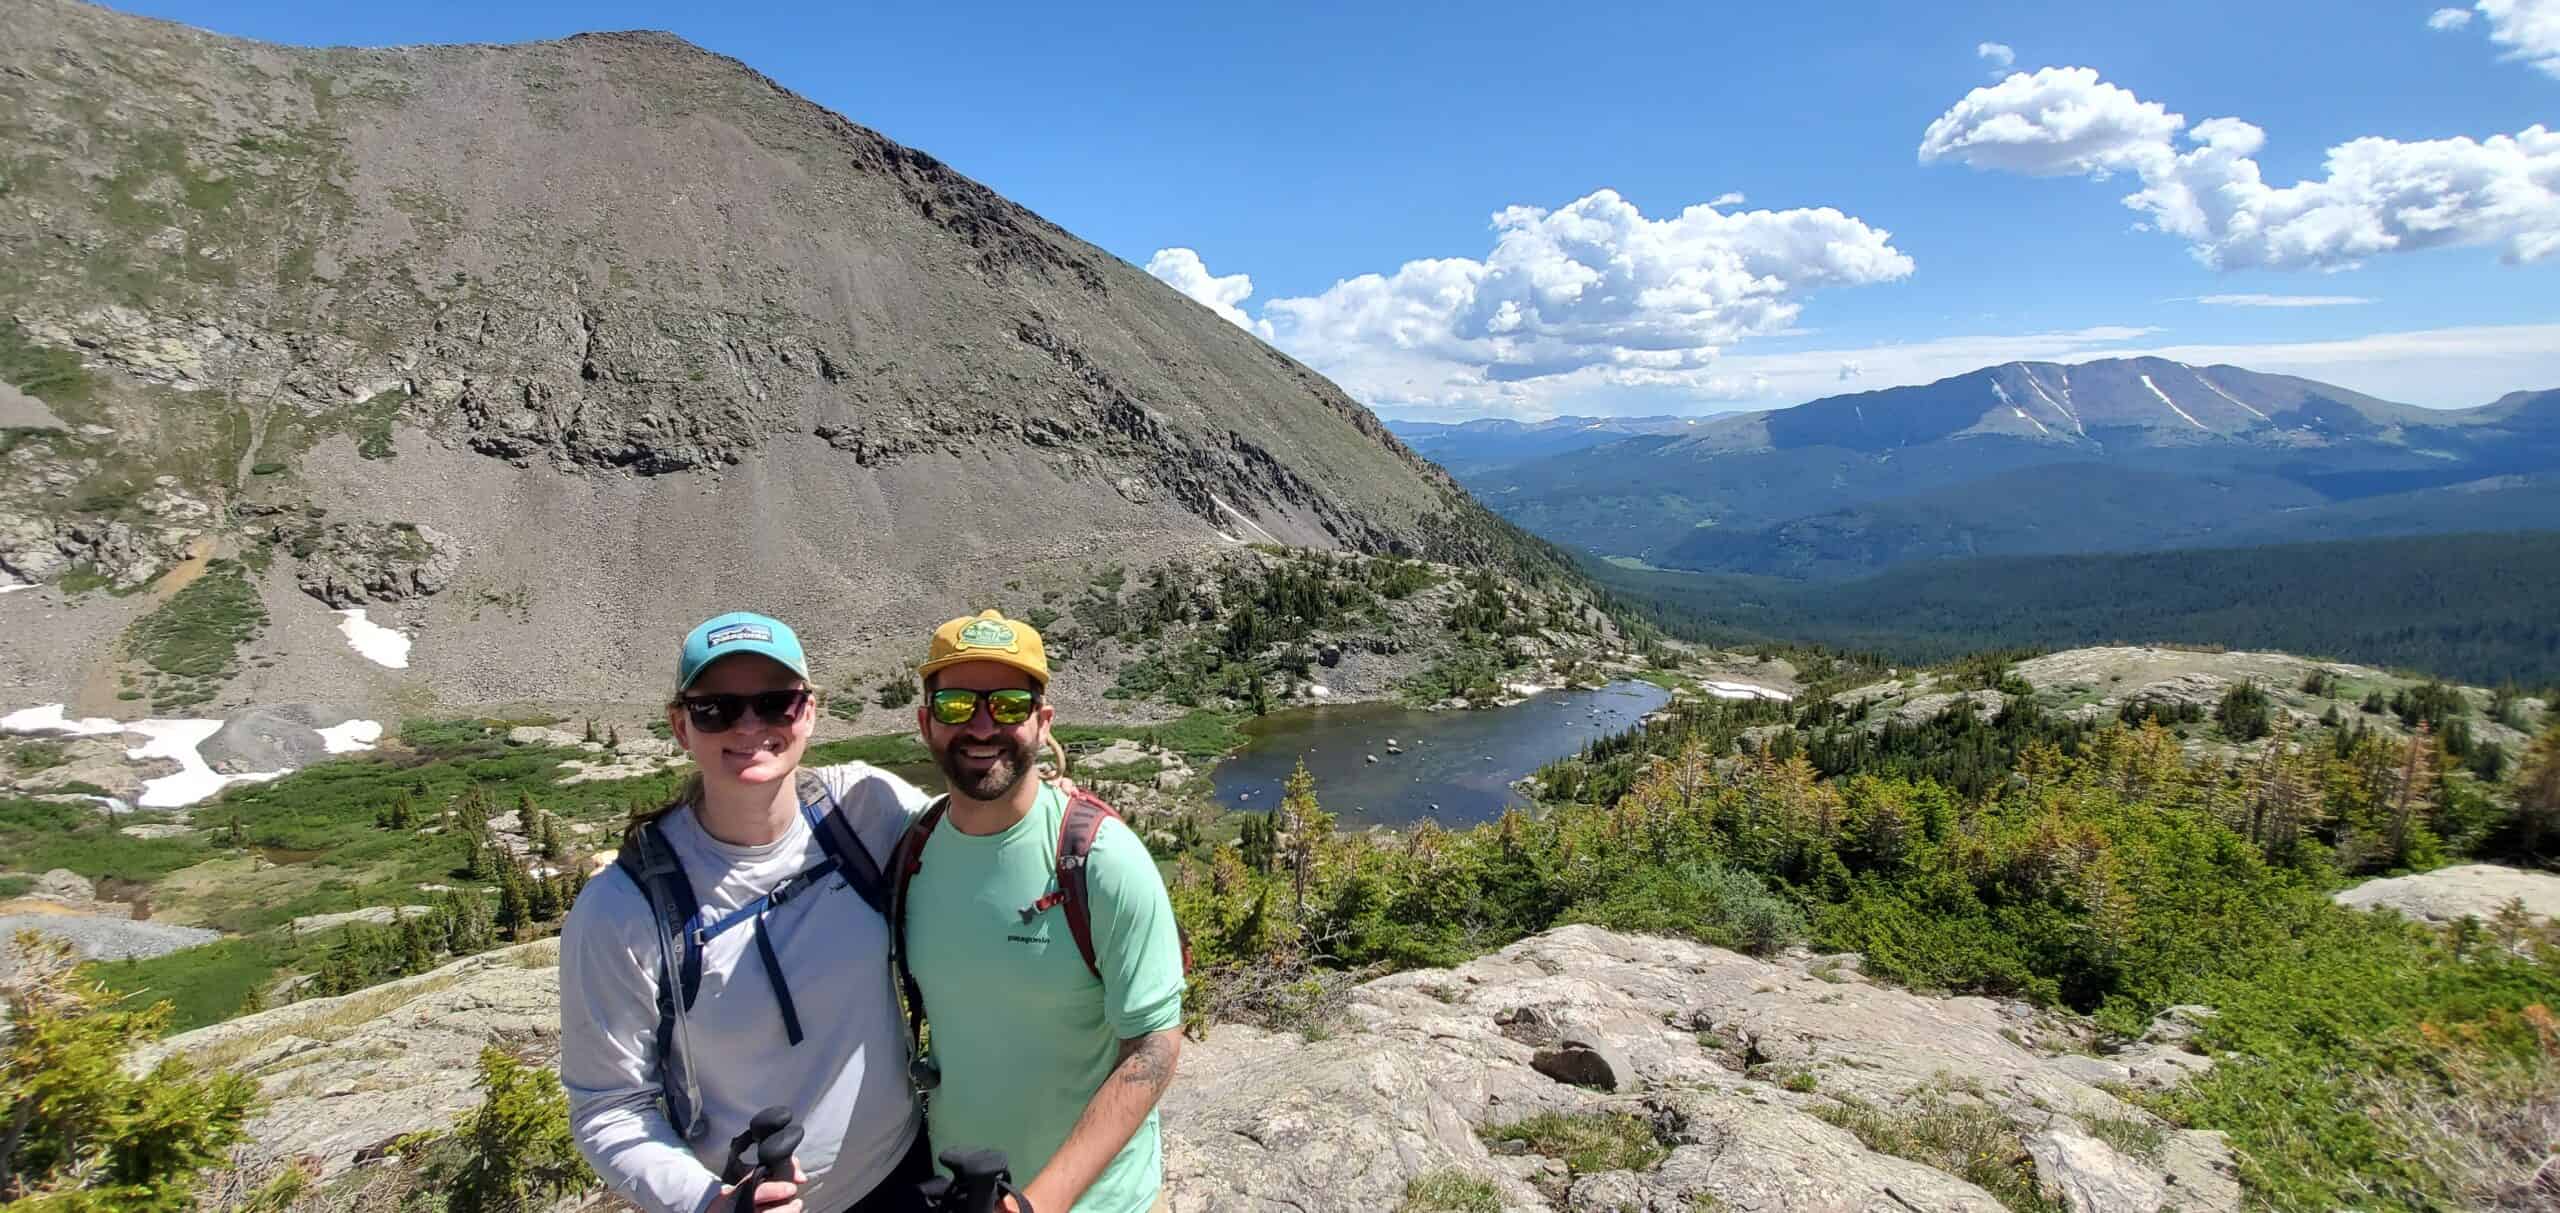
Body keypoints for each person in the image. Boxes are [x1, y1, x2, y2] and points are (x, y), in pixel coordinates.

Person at [560, 611, 933, 1213]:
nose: (751, 726)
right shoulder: (620, 911)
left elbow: (976, 836)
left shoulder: (863, 811)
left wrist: (1048, 797)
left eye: (776, 703)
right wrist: (710, 1202)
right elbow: (608, 1106)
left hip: (906, 1173)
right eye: (717, 710)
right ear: (681, 727)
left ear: (808, 713)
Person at [895, 610, 1186, 1213]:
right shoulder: (914, 850)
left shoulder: (1098, 860)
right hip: (961, 1193)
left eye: (1006, 705)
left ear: (1041, 721)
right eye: (954, 706)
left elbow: (1155, 1047)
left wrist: (1038, 1202)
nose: (981, 725)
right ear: (926, 723)